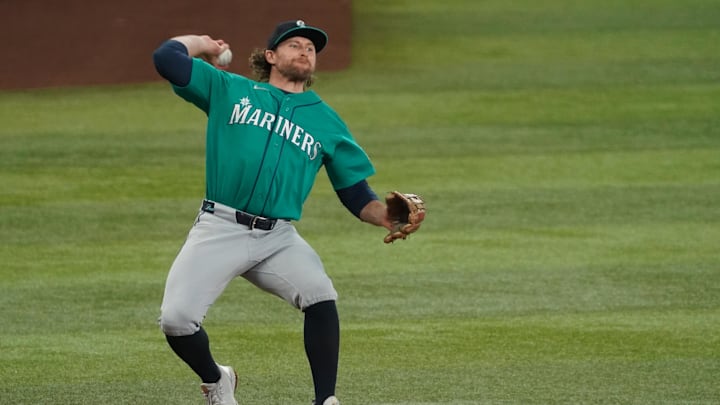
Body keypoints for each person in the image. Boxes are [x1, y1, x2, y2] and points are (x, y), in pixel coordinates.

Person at [152, 20, 419, 405]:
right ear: (271, 57)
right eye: (294, 44)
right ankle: (216, 380)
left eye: (311, 48)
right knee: (177, 321)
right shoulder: (229, 90)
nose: (305, 51)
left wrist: (385, 216)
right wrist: (202, 43)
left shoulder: (325, 120)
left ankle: (325, 399)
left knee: (320, 294)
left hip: (277, 237)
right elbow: (166, 59)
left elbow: (353, 190)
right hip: (220, 226)